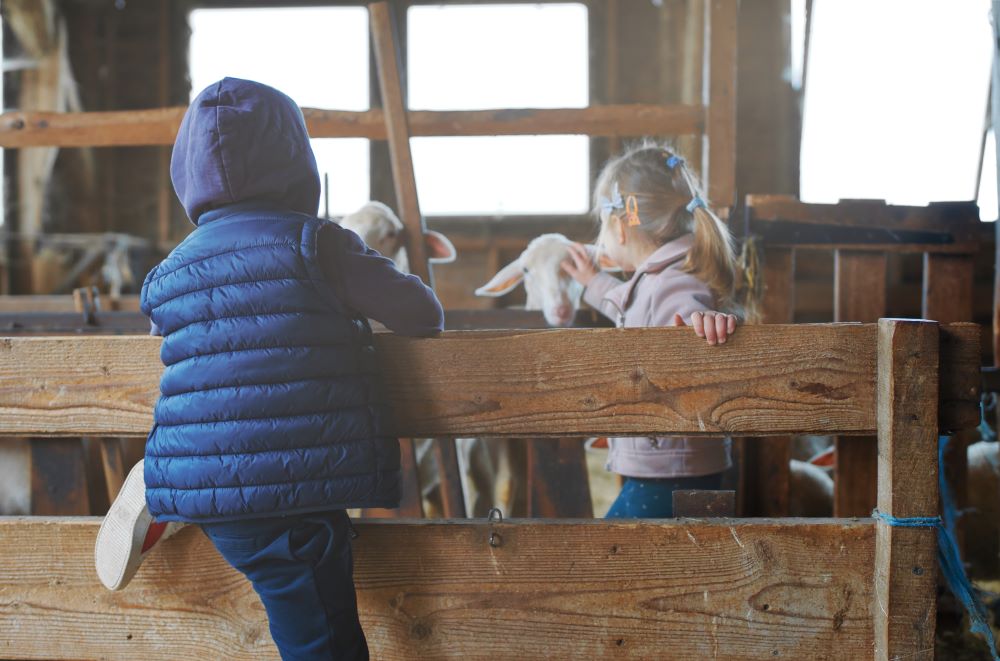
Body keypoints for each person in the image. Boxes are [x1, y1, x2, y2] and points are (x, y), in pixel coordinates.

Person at [94, 77, 443, 660]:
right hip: (292, 489)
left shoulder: (169, 271)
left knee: (305, 619)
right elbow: (421, 314)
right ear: (298, 162)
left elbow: (170, 333)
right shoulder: (319, 245)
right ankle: (166, 490)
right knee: (322, 643)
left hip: (211, 480)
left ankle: (166, 489)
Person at [561, 143, 741, 518]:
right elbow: (628, 306)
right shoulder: (657, 279)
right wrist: (593, 281)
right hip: (671, 467)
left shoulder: (671, 283)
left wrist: (703, 324)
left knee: (610, 560)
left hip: (671, 473)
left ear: (623, 225)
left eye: (602, 226)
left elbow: (688, 313)